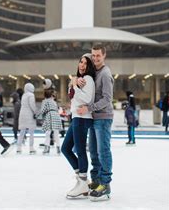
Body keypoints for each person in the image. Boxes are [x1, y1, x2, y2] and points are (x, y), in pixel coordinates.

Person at [77, 44, 113, 201]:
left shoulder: (105, 73)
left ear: (104, 55)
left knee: (103, 150)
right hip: (94, 117)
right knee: (93, 150)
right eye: (93, 55)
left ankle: (105, 184)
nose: (95, 58)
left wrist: (89, 108)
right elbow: (83, 61)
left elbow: (107, 98)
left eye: (98, 55)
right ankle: (96, 180)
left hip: (103, 117)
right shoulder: (95, 72)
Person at [62, 54, 96, 199]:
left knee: (81, 151)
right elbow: (73, 96)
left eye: (85, 64)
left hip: (82, 118)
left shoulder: (88, 79)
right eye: (80, 62)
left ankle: (82, 181)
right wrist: (73, 83)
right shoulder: (79, 79)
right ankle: (82, 179)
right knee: (65, 148)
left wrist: (75, 85)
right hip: (77, 117)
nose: (82, 65)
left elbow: (87, 98)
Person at [38, 79, 62, 155]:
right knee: (56, 132)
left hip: (49, 116)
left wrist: (37, 115)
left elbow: (43, 110)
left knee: (48, 133)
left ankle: (47, 148)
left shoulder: (45, 101)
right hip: (56, 115)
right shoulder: (54, 101)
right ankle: (58, 148)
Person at [17, 82, 37, 155]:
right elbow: (32, 105)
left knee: (22, 132)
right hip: (29, 115)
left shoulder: (24, 95)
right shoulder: (31, 95)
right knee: (31, 132)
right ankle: (31, 148)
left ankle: (18, 148)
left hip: (22, 114)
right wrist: (35, 112)